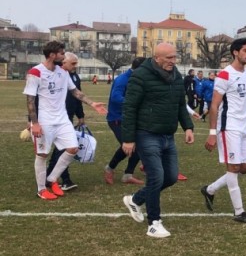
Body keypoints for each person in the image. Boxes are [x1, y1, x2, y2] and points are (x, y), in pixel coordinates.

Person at [121, 43, 195, 238]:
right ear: (157, 58)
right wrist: (128, 139)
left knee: (170, 177)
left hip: (167, 135)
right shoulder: (140, 76)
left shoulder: (176, 75)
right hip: (146, 133)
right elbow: (129, 108)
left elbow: (181, 104)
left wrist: (188, 127)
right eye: (169, 58)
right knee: (156, 176)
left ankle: (135, 199)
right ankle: (154, 223)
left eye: (174, 57)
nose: (173, 61)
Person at [23, 42, 107, 200]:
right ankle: (41, 189)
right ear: (53, 55)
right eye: (61, 53)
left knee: (73, 148)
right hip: (45, 121)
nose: (63, 56)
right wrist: (34, 123)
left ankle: (51, 179)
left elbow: (75, 91)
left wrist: (92, 103)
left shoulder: (63, 72)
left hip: (62, 120)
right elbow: (30, 100)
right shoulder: (35, 72)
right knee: (42, 154)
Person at [201, 38, 246, 223]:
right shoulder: (225, 75)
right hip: (228, 127)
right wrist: (211, 133)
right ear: (235, 52)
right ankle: (239, 212)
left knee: (245, 168)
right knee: (233, 167)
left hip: (244, 128)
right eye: (245, 51)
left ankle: (209, 190)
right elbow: (214, 105)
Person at [103, 57, 146, 186]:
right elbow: (116, 97)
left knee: (137, 146)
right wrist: (133, 104)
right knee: (130, 145)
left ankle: (128, 175)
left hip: (131, 118)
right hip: (117, 118)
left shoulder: (139, 79)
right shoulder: (122, 79)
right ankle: (110, 168)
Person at [45, 52, 83, 191]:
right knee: (60, 150)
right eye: (73, 63)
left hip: (68, 117)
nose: (75, 66)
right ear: (64, 62)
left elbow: (78, 95)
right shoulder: (53, 75)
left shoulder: (74, 76)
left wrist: (80, 114)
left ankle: (53, 177)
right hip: (54, 118)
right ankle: (58, 179)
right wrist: (32, 120)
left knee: (64, 149)